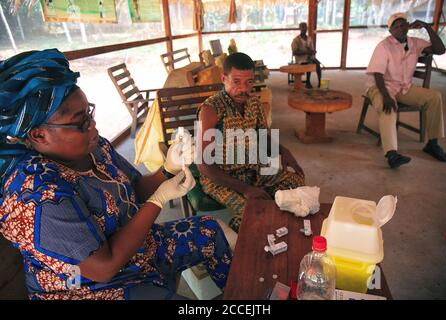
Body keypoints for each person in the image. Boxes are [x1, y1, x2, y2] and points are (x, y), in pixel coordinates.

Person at [0, 49, 233, 300]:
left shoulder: (95, 147)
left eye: (89, 113)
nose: (93, 126)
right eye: (80, 122)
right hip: (86, 288)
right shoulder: (36, 194)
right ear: (38, 135)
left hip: (136, 251)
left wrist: (167, 169)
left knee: (211, 229)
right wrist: (158, 201)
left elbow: (134, 188)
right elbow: (104, 267)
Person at [197, 52, 305, 233]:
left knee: (296, 183)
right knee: (256, 212)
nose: (243, 89)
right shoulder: (211, 109)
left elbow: (264, 137)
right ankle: (235, 243)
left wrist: (283, 150)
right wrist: (246, 189)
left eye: (249, 82)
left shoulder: (254, 104)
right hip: (221, 179)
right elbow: (203, 165)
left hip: (253, 171)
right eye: (236, 81)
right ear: (224, 79)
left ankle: (275, 228)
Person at [366, 13, 446, 168]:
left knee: (434, 97)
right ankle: (392, 154)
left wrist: (426, 27)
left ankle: (432, 144)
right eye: (395, 27)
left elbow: (440, 49)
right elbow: (377, 73)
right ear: (390, 31)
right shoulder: (384, 46)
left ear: (409, 26)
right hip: (380, 86)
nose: (400, 29)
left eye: (403, 24)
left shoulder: (415, 43)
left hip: (404, 88)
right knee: (388, 107)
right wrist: (386, 96)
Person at [291, 22, 322, 89]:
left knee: (318, 64)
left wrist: (313, 52)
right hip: (300, 59)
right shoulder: (296, 40)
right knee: (309, 63)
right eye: (303, 28)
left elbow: (312, 50)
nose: (304, 29)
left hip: (309, 57)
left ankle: (320, 82)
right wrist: (306, 52)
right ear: (300, 28)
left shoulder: (309, 39)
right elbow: (295, 52)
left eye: (305, 28)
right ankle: (308, 82)